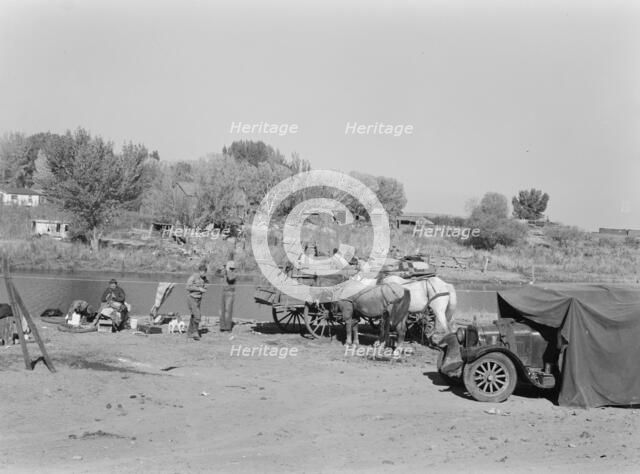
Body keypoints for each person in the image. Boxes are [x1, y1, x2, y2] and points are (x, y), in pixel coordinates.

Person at [185, 264, 208, 340]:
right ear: (200, 271)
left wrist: (205, 287)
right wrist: (199, 289)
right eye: (204, 272)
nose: (205, 274)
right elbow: (187, 287)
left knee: (193, 316)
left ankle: (189, 332)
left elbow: (206, 285)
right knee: (197, 315)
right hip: (191, 298)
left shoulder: (204, 278)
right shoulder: (194, 277)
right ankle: (195, 333)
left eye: (206, 272)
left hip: (198, 299)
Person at [219, 260, 237, 332]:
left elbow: (230, 279)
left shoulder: (233, 274)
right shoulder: (225, 272)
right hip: (223, 292)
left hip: (230, 293)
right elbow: (216, 274)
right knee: (222, 310)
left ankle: (228, 327)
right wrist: (220, 268)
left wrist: (226, 271)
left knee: (228, 311)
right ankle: (222, 327)